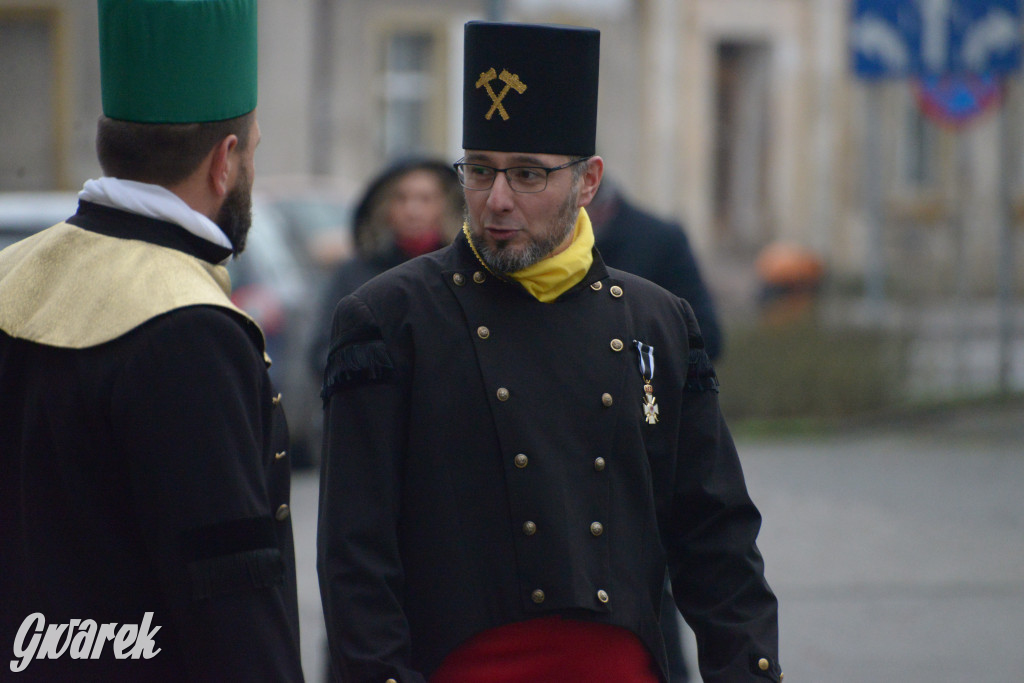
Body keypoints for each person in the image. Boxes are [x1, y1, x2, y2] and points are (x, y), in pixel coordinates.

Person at [317, 21, 780, 683]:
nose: (498, 200)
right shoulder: (387, 319)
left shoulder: (658, 321)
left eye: (528, 174)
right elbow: (355, 556)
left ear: (588, 181)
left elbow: (717, 538)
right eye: (480, 171)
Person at [0, 1, 303, 680]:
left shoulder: (9, 274)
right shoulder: (192, 328)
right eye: (253, 149)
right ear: (226, 161)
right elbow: (230, 598)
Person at [588, 178, 725, 683]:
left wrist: (638, 359)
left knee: (647, 579)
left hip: (639, 437)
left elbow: (705, 337)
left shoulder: (658, 239)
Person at [307, 158, 463, 379]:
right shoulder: (354, 275)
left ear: (444, 205)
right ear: (385, 206)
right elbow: (322, 354)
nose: (412, 210)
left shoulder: (462, 274)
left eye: (425, 199)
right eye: (401, 198)